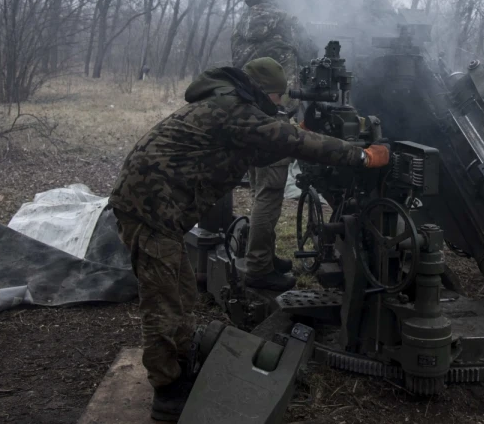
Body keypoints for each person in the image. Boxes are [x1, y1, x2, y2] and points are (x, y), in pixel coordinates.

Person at [109, 57, 388, 422]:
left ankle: (178, 368)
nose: (277, 104)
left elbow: (265, 143)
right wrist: (363, 156)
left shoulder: (229, 104)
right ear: (261, 91)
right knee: (163, 303)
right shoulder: (232, 109)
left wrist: (300, 130)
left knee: (179, 293)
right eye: (275, 97)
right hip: (149, 209)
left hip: (158, 206)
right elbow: (287, 139)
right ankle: (168, 394)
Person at [230, 0, 318, 292]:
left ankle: (263, 254)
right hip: (275, 115)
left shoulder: (239, 28)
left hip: (244, 115)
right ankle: (258, 267)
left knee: (258, 189)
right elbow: (313, 53)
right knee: (270, 193)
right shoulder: (285, 21)